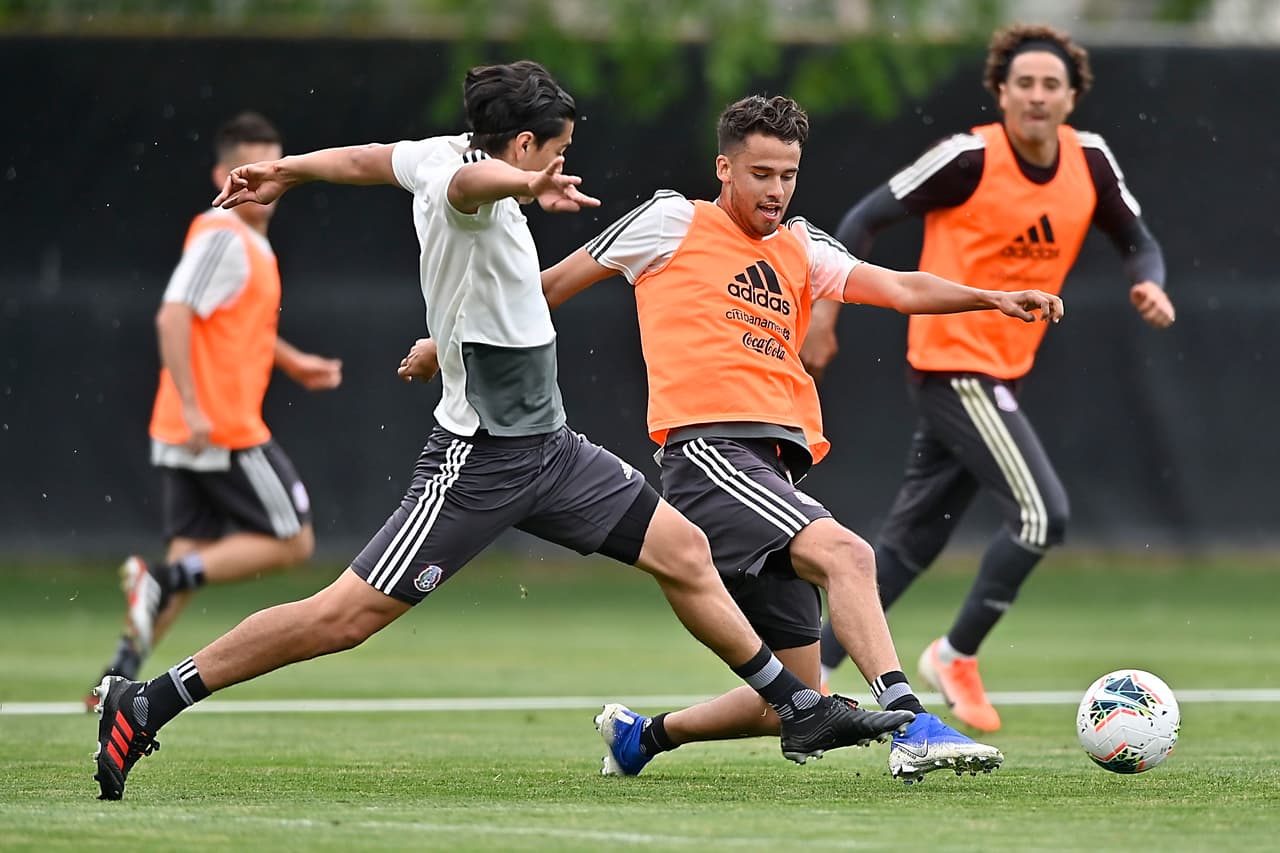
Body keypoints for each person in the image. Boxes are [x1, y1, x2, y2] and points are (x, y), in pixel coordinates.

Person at [89, 61, 915, 802]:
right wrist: (525, 185)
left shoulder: (437, 152)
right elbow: (473, 187)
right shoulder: (470, 189)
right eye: (556, 151)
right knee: (341, 617)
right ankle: (150, 699)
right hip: (478, 459)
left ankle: (797, 704)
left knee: (685, 551)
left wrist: (288, 170)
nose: (561, 162)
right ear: (522, 146)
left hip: (553, 449)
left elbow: (370, 158)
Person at [529, 93, 1062, 783]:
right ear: (724, 168)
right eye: (760, 174)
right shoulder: (671, 221)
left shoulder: (801, 246)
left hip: (772, 471)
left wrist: (990, 298)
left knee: (791, 699)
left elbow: (900, 289)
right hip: (710, 455)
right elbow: (550, 285)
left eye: (788, 175)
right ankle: (912, 725)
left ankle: (642, 737)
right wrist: (446, 343)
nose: (776, 190)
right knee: (850, 554)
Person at [806, 23, 1175, 733]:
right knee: (1042, 514)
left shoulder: (1090, 160)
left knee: (910, 542)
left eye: (1051, 85)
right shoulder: (969, 157)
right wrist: (825, 315)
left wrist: (1149, 282)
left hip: (1003, 371)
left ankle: (814, 670)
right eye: (1023, 83)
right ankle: (956, 654)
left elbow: (1139, 241)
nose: (1037, 96)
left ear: (1071, 98)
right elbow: (861, 219)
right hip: (954, 366)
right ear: (1001, 93)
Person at [86, 112, 343, 708]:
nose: (259, 181)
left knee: (190, 555)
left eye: (268, 168)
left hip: (193, 425)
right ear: (221, 176)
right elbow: (172, 315)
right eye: (244, 170)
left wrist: (292, 362)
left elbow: (233, 323)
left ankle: (116, 678)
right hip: (220, 425)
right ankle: (162, 579)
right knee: (294, 540)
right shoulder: (224, 234)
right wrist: (196, 406)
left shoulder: (247, 244)